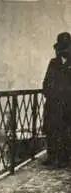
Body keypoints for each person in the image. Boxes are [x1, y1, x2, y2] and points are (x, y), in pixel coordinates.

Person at [42, 32, 71, 168]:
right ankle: (52, 156)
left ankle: (64, 158)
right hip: (53, 104)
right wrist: (50, 94)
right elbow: (46, 82)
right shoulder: (53, 63)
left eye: (66, 47)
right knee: (51, 130)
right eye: (61, 47)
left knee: (66, 131)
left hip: (67, 105)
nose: (63, 50)